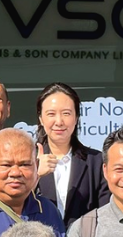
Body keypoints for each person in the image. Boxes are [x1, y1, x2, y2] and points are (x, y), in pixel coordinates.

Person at [32, 82, 108, 223]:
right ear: (41, 119)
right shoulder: (28, 161)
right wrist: (34, 176)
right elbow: (15, 206)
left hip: (84, 236)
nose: (59, 121)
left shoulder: (96, 162)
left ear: (76, 117)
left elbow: (105, 212)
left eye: (66, 113)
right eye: (51, 114)